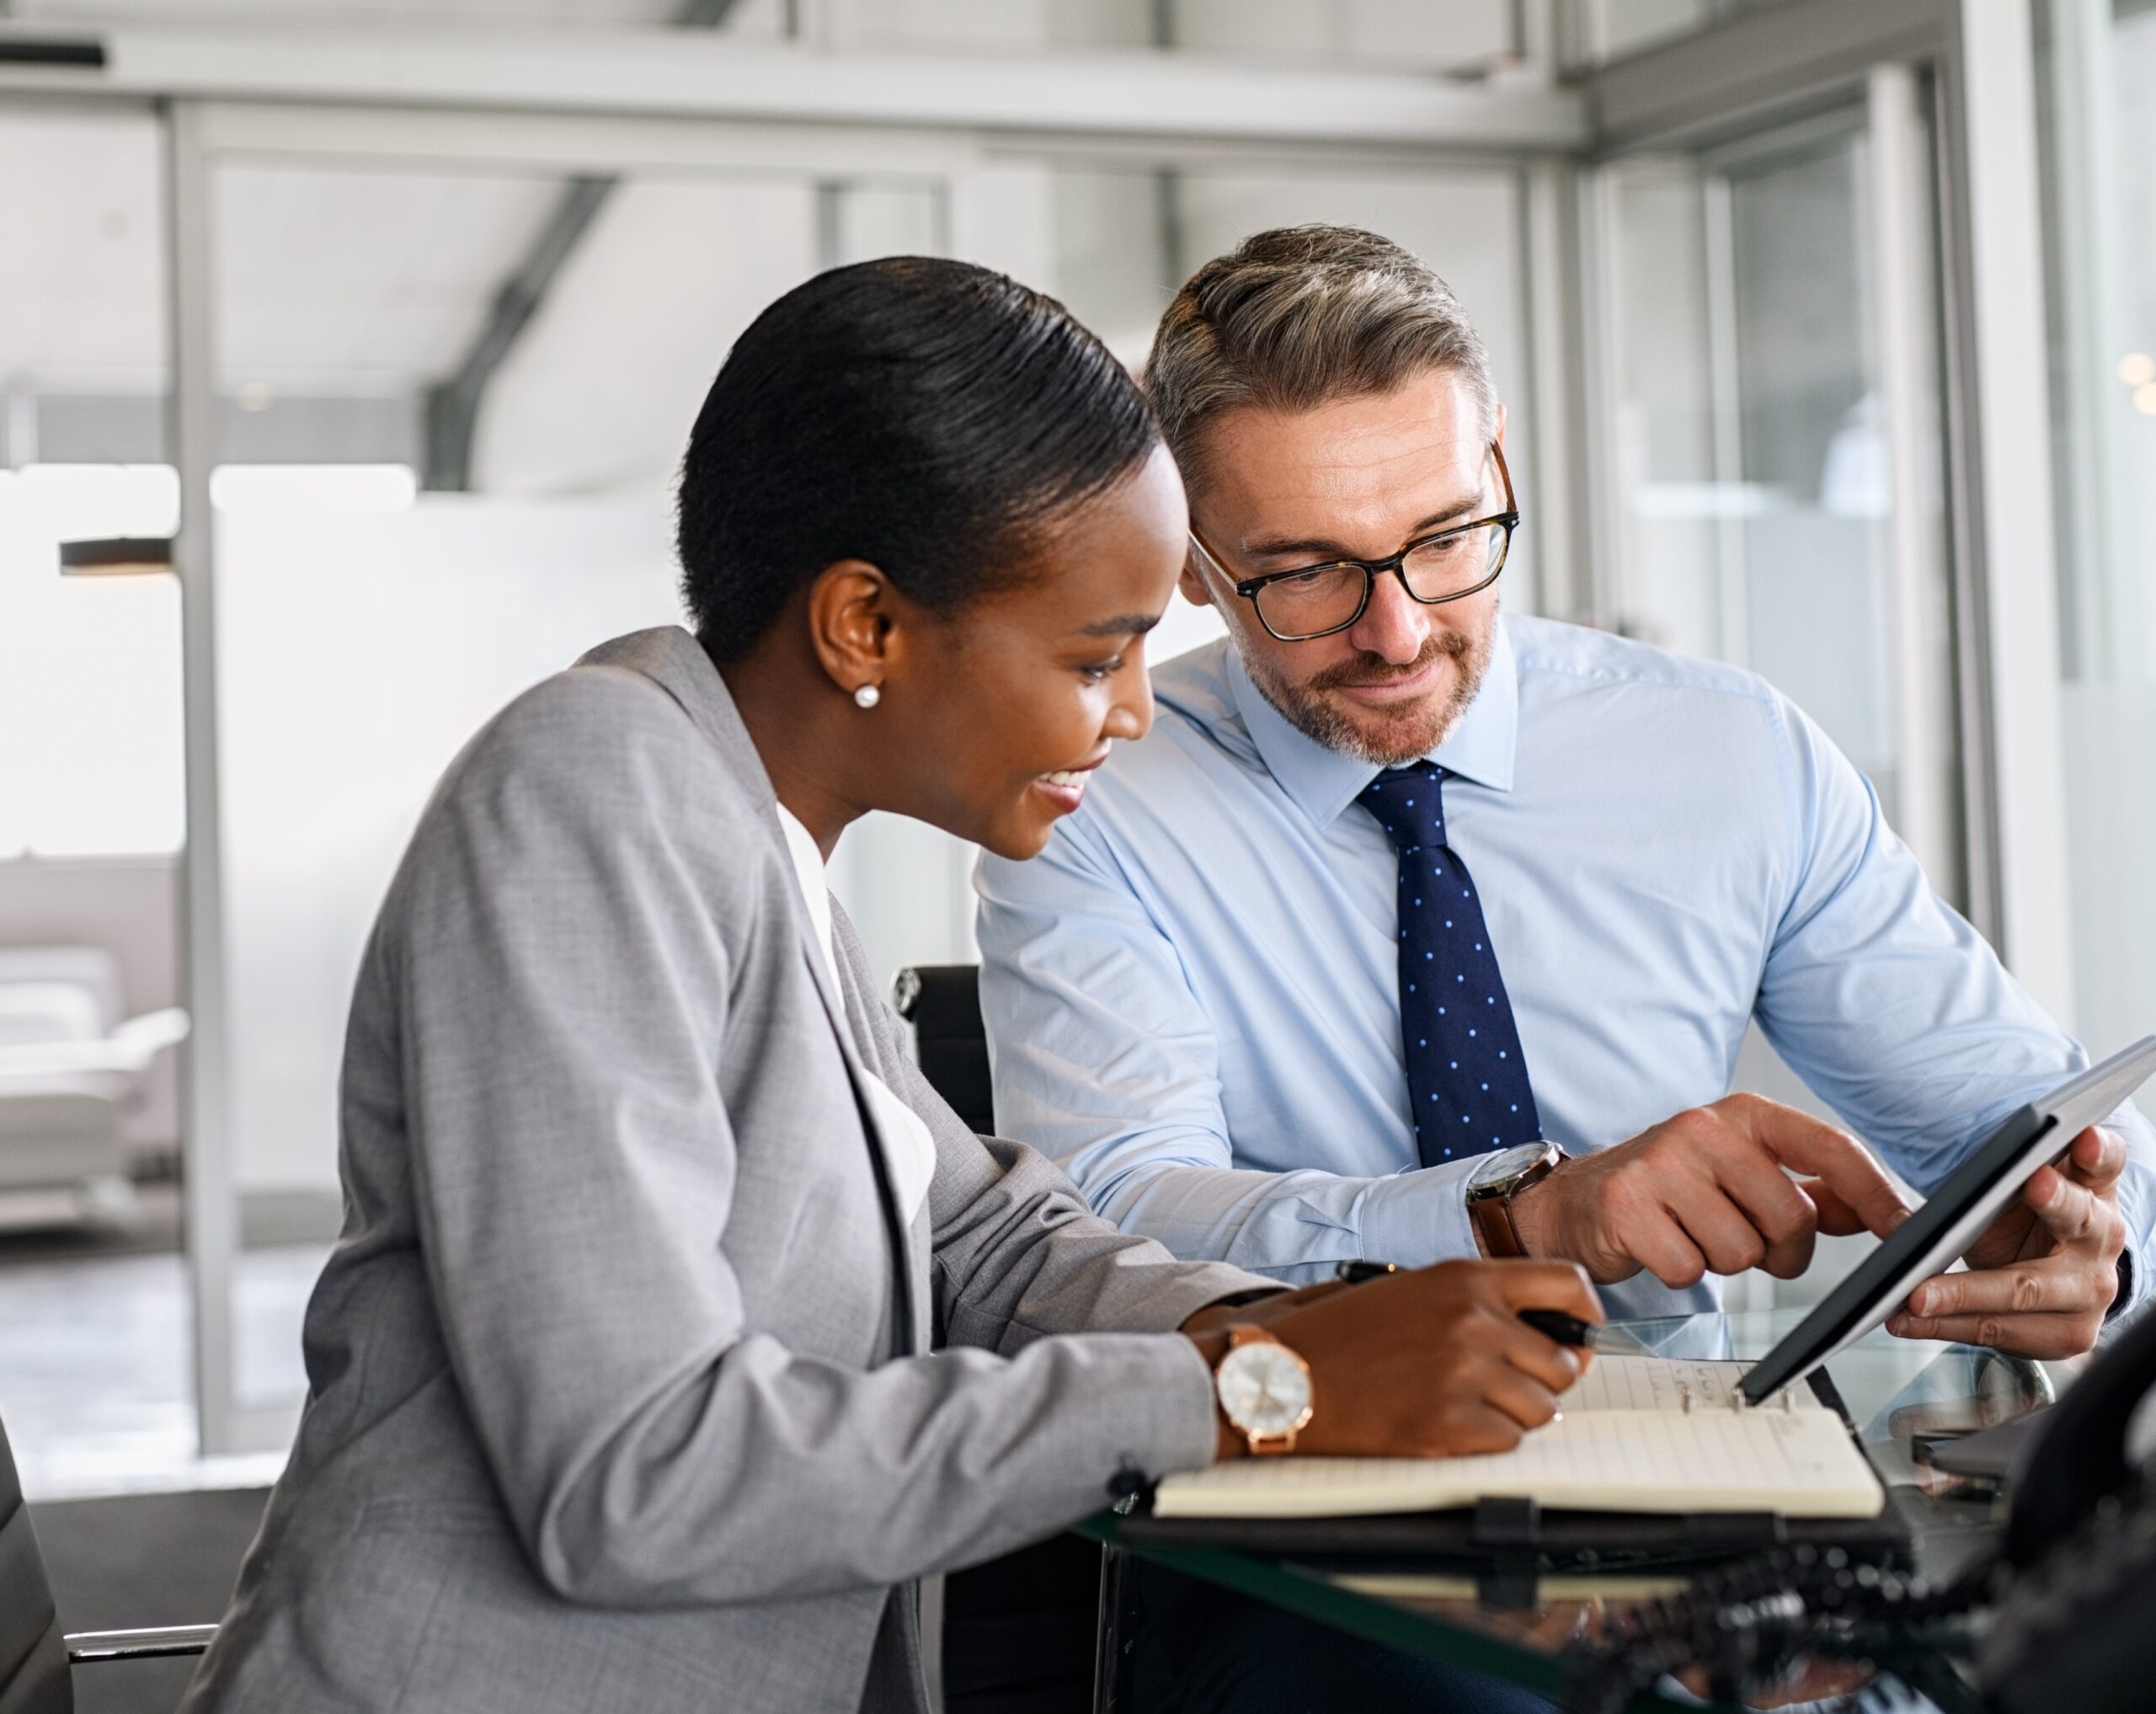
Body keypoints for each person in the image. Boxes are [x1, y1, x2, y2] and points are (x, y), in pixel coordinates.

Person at [180, 257, 1601, 1714]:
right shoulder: (596, 791)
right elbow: (636, 1470)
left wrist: (1296, 1330)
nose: (1129, 710)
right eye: (1095, 653)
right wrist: (1255, 1394)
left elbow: (985, 1238)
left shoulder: (757, 836)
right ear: (865, 624)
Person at [977, 223, 2153, 1357]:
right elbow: (1105, 1235)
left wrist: (2095, 1241)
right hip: (1288, 1495)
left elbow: (2044, 1126)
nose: (1399, 633)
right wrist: (1517, 1217)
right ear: (1190, 554)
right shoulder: (1093, 797)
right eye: (1307, 572)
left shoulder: (1730, 754)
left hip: (1713, 1483)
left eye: (1445, 538)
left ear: (1497, 459)